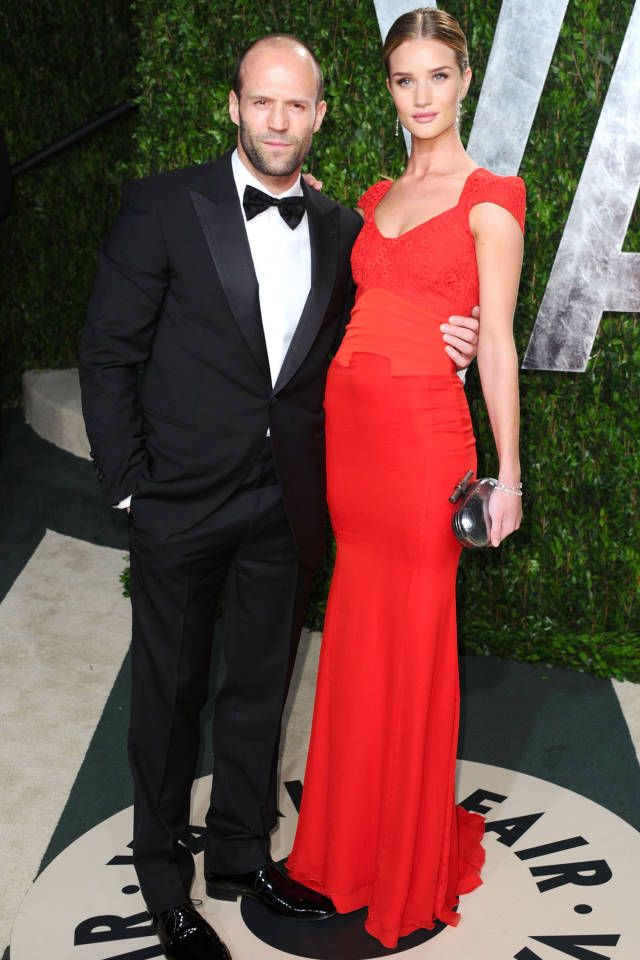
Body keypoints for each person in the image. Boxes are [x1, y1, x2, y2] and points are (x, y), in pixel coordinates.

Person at [79, 32, 480, 960]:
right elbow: (109, 354)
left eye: (295, 104)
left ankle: (238, 856)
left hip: (285, 506)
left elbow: (387, 322)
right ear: (234, 106)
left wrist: (453, 337)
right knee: (169, 697)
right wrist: (129, 491)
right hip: (175, 503)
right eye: (262, 101)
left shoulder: (347, 230)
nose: (278, 119)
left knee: (259, 689)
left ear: (321, 116)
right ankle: (165, 881)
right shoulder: (165, 204)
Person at [286, 8, 525, 950]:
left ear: (464, 81)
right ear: (387, 90)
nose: (420, 97)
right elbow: (368, 290)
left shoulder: (491, 194)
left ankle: (401, 862)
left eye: (436, 77)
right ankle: (340, 851)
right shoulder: (380, 188)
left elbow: (495, 340)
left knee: (413, 639)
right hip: (353, 448)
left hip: (427, 446)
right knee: (353, 631)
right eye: (402, 80)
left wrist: (507, 478)